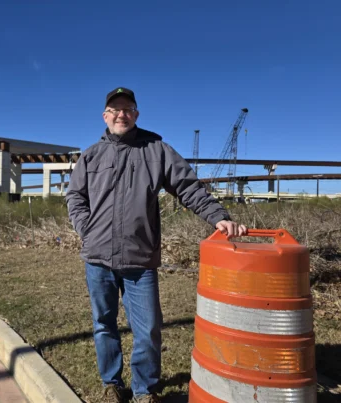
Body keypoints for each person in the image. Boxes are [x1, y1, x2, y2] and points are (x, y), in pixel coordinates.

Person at [65, 87, 247, 403]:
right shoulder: (91, 155)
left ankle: (143, 390)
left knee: (148, 329)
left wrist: (217, 216)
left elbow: (189, 188)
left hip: (140, 258)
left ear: (136, 114)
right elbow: (75, 197)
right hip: (97, 257)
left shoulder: (157, 150)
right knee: (103, 325)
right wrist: (87, 230)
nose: (122, 114)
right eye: (115, 109)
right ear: (105, 115)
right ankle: (112, 383)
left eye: (128, 108)